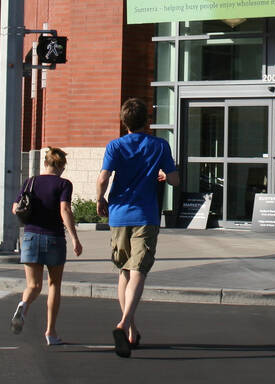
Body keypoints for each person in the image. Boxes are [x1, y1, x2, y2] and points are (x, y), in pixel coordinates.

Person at [96, 98, 178, 357]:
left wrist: (100, 199)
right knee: (139, 270)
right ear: (147, 121)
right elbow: (175, 180)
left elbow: (103, 177)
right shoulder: (160, 145)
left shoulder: (115, 146)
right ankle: (123, 323)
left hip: (118, 215)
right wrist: (165, 176)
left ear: (124, 122)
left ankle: (131, 330)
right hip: (145, 215)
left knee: (124, 271)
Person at [8, 147, 83, 346]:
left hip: (31, 237)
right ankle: (50, 332)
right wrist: (75, 237)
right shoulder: (64, 184)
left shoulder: (30, 182)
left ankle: (23, 306)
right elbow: (64, 209)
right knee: (53, 285)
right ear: (59, 165)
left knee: (33, 286)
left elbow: (15, 208)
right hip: (54, 239)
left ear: (45, 163)